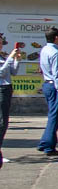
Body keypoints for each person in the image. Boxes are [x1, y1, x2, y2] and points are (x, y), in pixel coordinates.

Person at [36, 28, 58, 158]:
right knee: (55, 115)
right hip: (54, 86)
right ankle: (48, 144)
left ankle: (46, 142)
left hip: (47, 84)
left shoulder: (45, 49)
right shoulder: (55, 53)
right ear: (56, 38)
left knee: (53, 114)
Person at [0, 37, 22, 169]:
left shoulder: (2, 57)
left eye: (1, 43)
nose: (0, 45)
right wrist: (10, 58)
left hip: (7, 88)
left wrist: (17, 59)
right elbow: (1, 73)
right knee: (1, 122)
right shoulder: (4, 58)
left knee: (4, 121)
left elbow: (13, 71)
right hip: (1, 89)